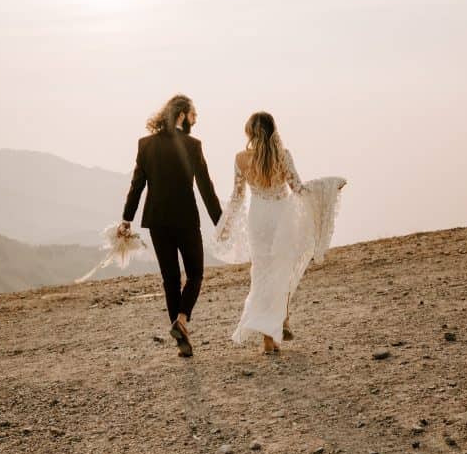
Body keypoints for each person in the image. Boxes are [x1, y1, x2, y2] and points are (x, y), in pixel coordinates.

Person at [213, 112, 346, 354]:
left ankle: (269, 336)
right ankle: (278, 322)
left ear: (249, 132)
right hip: (282, 217)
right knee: (281, 273)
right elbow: (299, 189)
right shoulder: (283, 156)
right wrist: (329, 186)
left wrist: (226, 225)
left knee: (262, 274)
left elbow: (237, 196)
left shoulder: (241, 159)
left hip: (258, 218)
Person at [120, 94, 222, 357]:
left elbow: (137, 186)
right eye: (192, 114)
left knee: (170, 279)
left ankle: (182, 342)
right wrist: (220, 221)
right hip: (186, 219)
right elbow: (205, 186)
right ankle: (183, 319)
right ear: (181, 115)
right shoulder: (192, 145)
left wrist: (126, 219)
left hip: (157, 221)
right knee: (196, 273)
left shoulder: (146, 145)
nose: (194, 119)